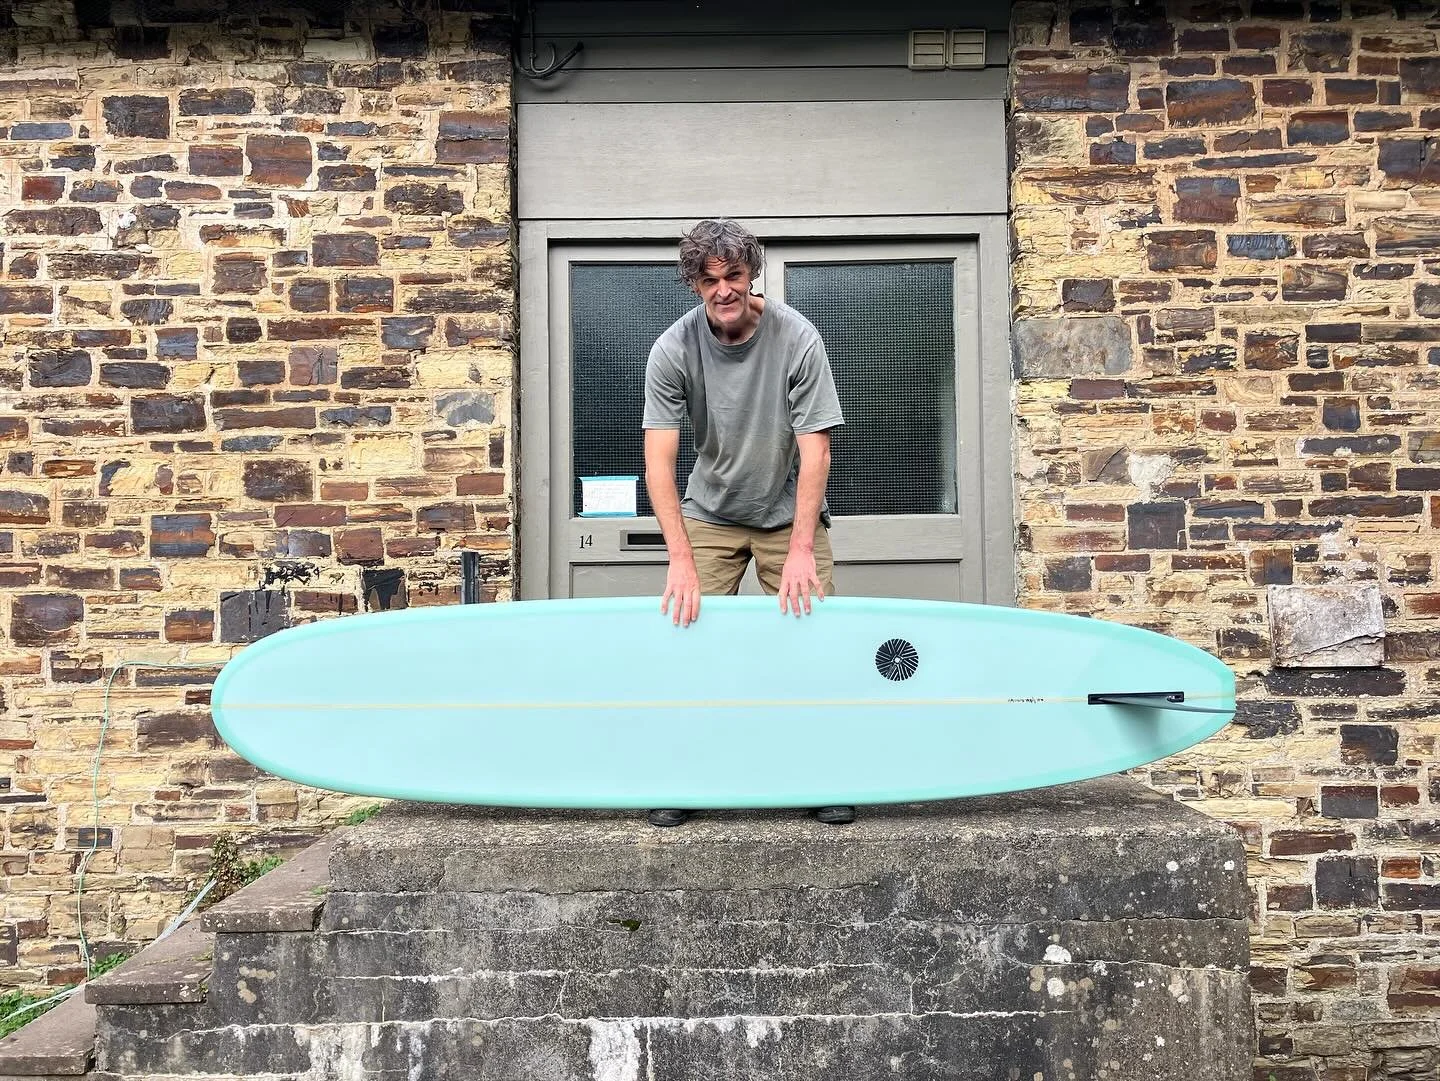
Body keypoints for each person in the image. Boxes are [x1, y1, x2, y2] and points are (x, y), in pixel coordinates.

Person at [641, 218, 852, 828]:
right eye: (709, 280)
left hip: (787, 514)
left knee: (812, 636)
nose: (723, 290)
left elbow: (817, 451)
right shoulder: (672, 350)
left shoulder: (797, 339)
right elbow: (659, 462)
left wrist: (803, 549)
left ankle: (822, 776)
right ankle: (681, 777)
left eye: (733, 275)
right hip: (708, 513)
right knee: (687, 638)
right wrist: (680, 557)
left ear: (751, 273)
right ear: (694, 284)